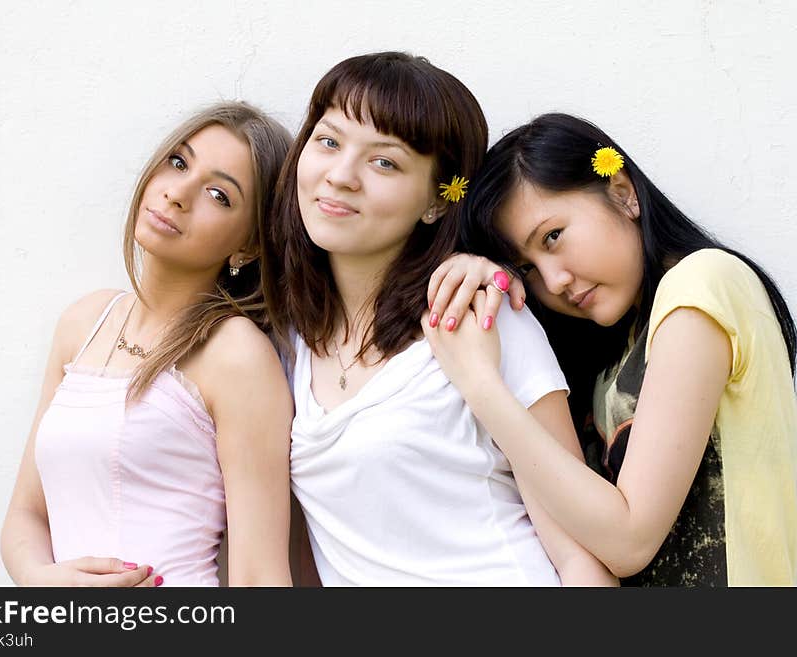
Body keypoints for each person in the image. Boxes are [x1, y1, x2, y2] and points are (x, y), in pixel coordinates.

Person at [263, 52, 617, 586]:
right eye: (328, 141)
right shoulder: (285, 340)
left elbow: (578, 556)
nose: (340, 176)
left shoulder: (484, 315)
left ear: (436, 200)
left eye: (384, 162)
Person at [425, 112, 797, 586]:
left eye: (553, 237)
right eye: (528, 269)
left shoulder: (701, 285)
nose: (554, 281)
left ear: (623, 193)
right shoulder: (609, 350)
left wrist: (481, 385)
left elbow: (629, 540)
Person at [0, 102, 295, 586]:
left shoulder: (235, 353)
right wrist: (45, 582)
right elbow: (25, 515)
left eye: (219, 194)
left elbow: (259, 575)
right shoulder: (84, 322)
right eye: (178, 163)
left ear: (248, 246)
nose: (177, 194)